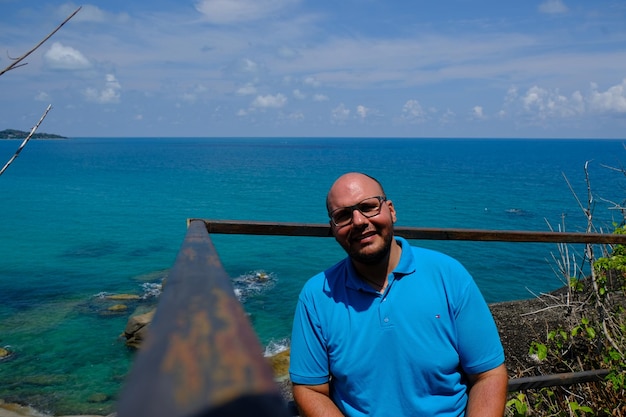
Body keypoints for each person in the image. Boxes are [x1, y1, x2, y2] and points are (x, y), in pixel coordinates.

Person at [289, 172, 508, 417]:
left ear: (391, 210)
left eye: (368, 207)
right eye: (343, 215)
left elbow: (488, 375)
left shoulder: (449, 275)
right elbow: (310, 388)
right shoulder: (317, 295)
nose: (359, 221)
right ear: (333, 228)